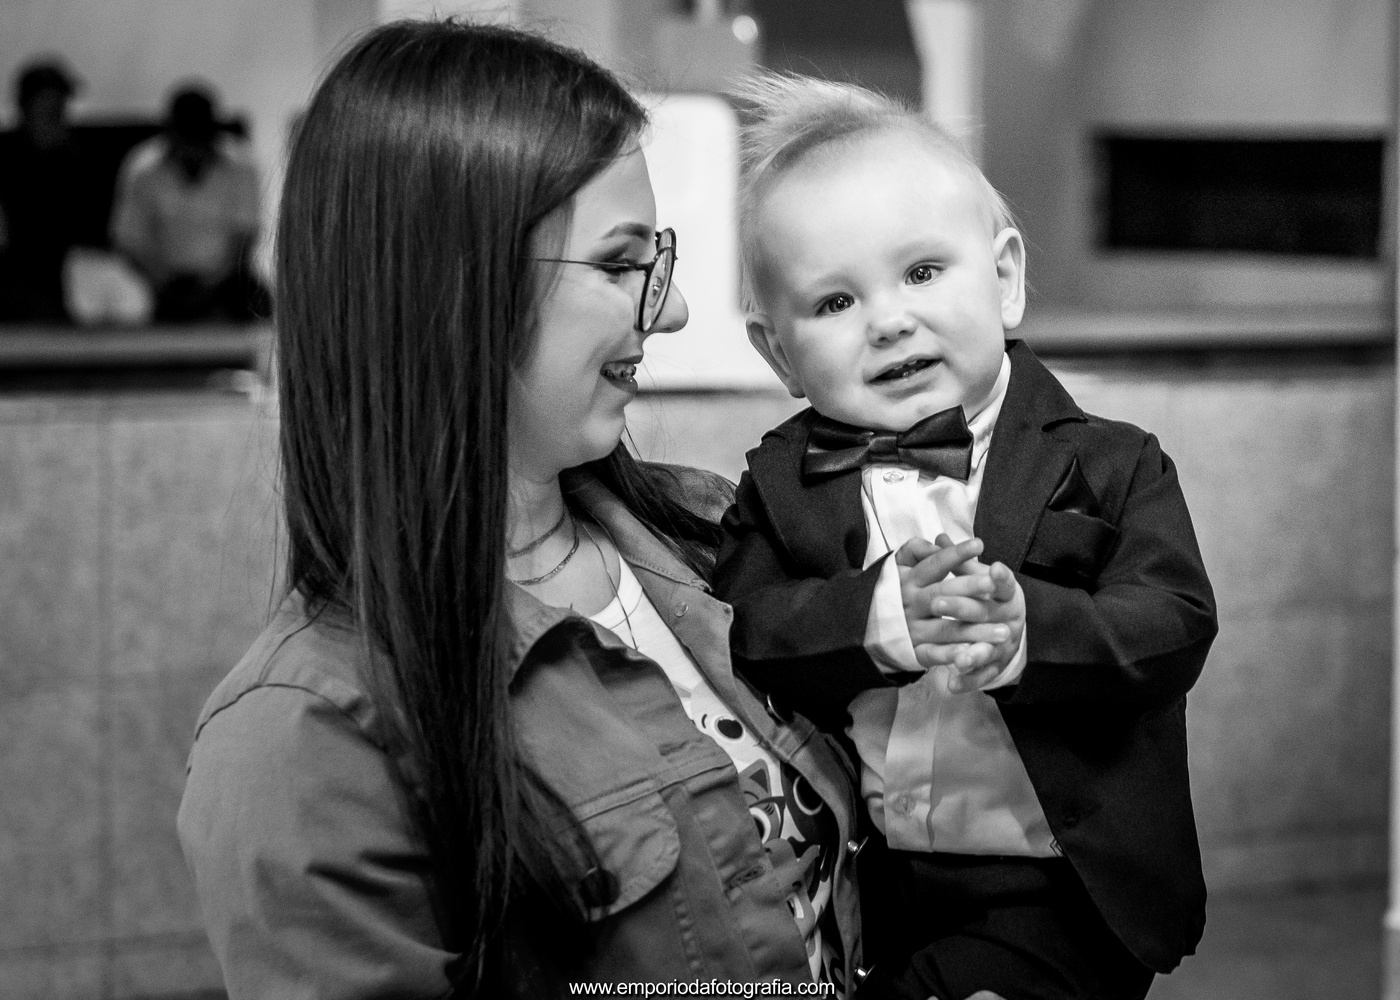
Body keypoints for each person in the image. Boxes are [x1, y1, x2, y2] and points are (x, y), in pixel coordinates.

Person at [176, 22, 867, 998]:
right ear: (456, 288)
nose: (668, 312)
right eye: (620, 265)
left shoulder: (713, 534)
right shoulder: (308, 735)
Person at [712, 74, 1218, 1000]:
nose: (889, 320)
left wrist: (1031, 634)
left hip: (1062, 884)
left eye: (921, 272)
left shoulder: (1111, 464)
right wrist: (875, 620)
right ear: (778, 352)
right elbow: (745, 634)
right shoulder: (779, 487)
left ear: (1006, 278)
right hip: (873, 883)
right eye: (834, 303)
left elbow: (1174, 621)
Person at [109, 84, 268, 322]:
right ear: (170, 132)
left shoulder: (242, 164)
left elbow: (245, 236)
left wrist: (211, 287)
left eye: (198, 137)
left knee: (264, 313)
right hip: (159, 287)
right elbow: (129, 240)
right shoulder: (142, 168)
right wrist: (164, 285)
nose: (192, 150)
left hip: (228, 284)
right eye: (186, 137)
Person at [0, 58, 86, 322]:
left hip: (59, 283)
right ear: (25, 107)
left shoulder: (71, 159)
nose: (57, 114)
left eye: (60, 107)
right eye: (49, 108)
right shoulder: (6, 156)